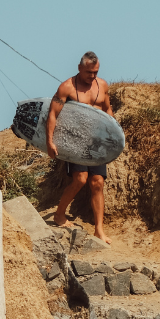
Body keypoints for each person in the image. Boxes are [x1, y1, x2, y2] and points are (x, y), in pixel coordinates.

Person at [47, 51, 113, 244]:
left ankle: (99, 229)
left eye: (95, 72)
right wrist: (50, 142)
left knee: (98, 182)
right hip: (75, 141)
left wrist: (112, 133)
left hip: (97, 142)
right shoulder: (67, 88)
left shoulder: (102, 85)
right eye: (88, 72)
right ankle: (59, 215)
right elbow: (53, 114)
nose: (92, 76)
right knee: (81, 179)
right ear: (79, 68)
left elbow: (107, 109)